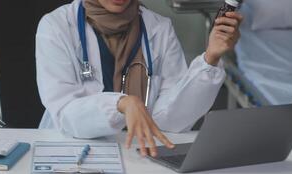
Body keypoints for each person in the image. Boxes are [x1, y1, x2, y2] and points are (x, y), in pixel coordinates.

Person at [35, 0, 243, 157]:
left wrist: (211, 57)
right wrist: (121, 103)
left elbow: (171, 120)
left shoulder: (159, 28)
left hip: (140, 153)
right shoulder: (56, 26)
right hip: (71, 152)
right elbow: (64, 112)